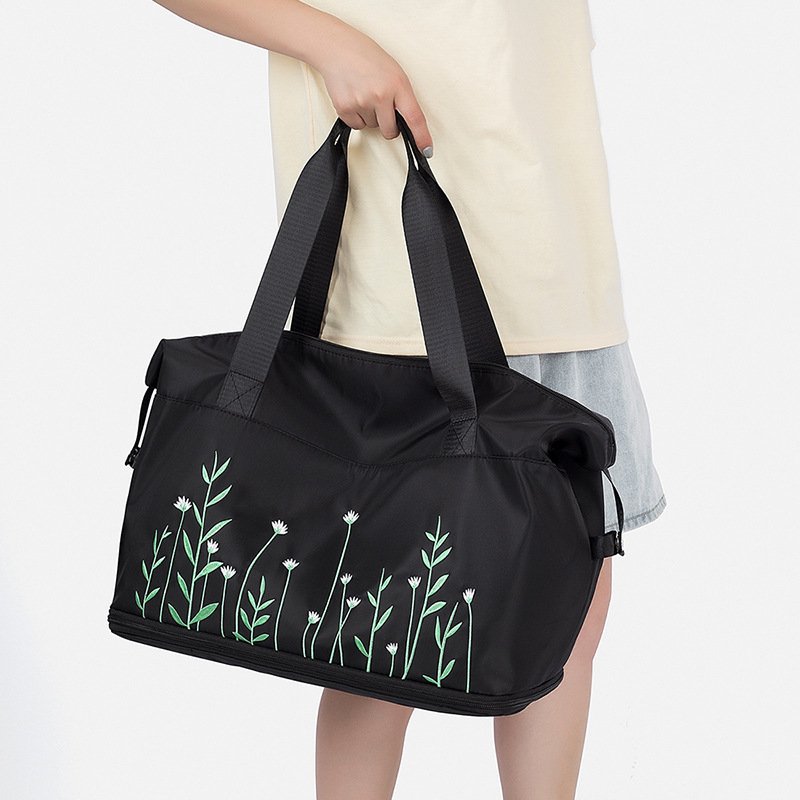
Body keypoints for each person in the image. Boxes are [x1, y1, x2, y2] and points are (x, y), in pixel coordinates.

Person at [153, 2, 667, 798]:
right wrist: (334, 45)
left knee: (570, 609)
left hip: (562, 250)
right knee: (379, 631)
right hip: (400, 263)